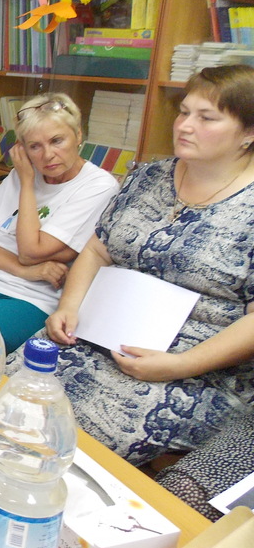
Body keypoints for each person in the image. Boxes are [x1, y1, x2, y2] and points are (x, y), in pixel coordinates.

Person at [45, 66, 254, 472]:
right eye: (184, 112)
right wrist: (68, 306)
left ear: (249, 133)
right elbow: (98, 249)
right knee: (11, 390)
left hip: (194, 368)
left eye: (206, 118)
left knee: (74, 441)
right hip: (95, 334)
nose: (185, 126)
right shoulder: (148, 175)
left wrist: (180, 364)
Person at [0, 93, 119, 351]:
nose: (48, 155)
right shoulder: (18, 174)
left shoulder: (98, 185)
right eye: (35, 146)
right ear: (23, 149)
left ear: (78, 135)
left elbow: (30, 251)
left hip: (32, 298)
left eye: (57, 140)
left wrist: (27, 184)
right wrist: (26, 269)